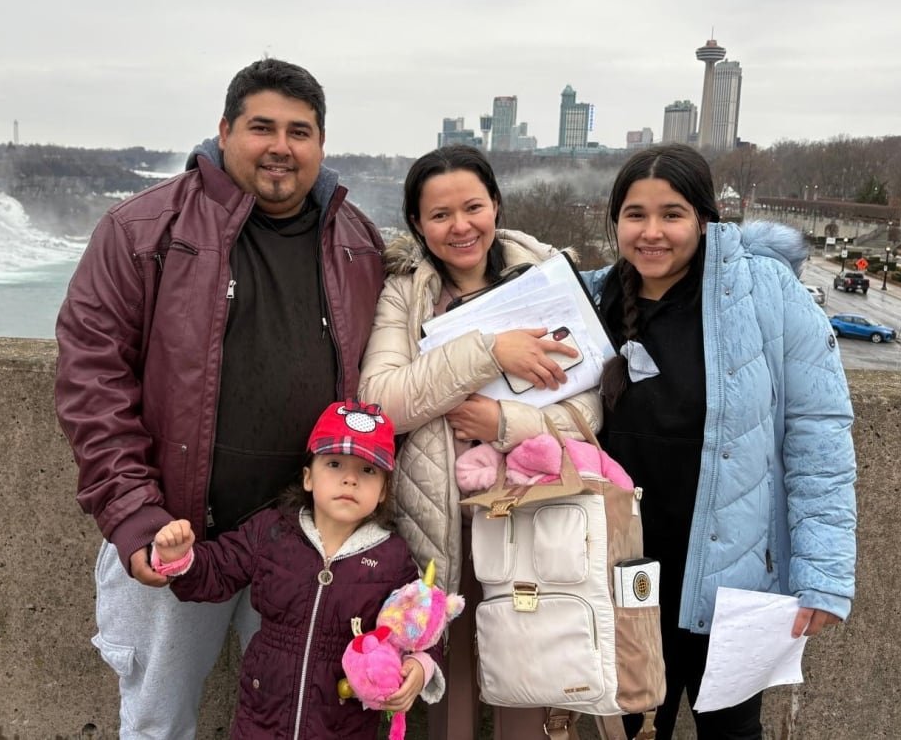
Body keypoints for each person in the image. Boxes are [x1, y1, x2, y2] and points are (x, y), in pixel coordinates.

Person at [54, 58, 385, 740]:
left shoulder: (356, 243)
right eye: (261, 126)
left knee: (298, 722)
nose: (280, 146)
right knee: (158, 722)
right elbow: (92, 384)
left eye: (299, 131)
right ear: (224, 129)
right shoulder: (141, 231)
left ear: (321, 145)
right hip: (181, 533)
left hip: (307, 542)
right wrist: (137, 517)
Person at [591, 143, 856, 740]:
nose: (652, 232)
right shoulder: (595, 299)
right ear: (615, 222)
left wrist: (823, 575)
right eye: (635, 214)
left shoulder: (767, 293)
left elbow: (818, 440)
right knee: (624, 730)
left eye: (673, 214)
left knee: (733, 732)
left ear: (705, 218)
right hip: (624, 577)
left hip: (734, 577)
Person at [358, 144, 602, 739]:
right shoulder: (404, 291)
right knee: (449, 696)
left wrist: (503, 423)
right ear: (417, 224)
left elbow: (589, 411)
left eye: (473, 207)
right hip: (440, 521)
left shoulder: (549, 274)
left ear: (496, 204)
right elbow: (381, 402)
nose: (460, 226)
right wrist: (490, 350)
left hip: (533, 516)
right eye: (440, 215)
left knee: (529, 682)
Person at [149, 400, 444, 739]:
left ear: (383, 492)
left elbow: (421, 626)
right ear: (308, 477)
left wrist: (419, 668)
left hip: (343, 724)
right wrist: (178, 558)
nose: (349, 479)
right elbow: (217, 569)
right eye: (334, 464)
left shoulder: (392, 557)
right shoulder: (272, 532)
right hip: (261, 721)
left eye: (367, 470)